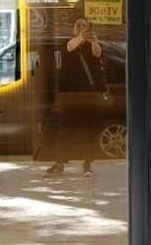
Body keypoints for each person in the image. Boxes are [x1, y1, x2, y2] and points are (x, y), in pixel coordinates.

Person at [45, 17, 106, 177]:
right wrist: (81, 37)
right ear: (73, 28)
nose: (81, 28)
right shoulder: (67, 42)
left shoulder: (92, 43)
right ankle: (60, 163)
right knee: (66, 129)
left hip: (88, 94)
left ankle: (87, 164)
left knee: (88, 130)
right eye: (78, 25)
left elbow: (97, 53)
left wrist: (94, 40)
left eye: (84, 25)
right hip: (70, 93)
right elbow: (70, 47)